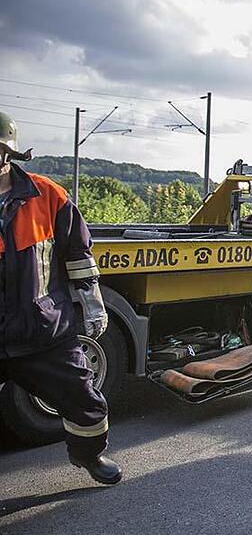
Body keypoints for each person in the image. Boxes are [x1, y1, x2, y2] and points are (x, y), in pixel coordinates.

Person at [0, 112, 121, 484]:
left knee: (85, 400)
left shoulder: (47, 196)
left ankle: (89, 456)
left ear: (7, 151)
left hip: (43, 330)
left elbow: (78, 255)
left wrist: (93, 304)